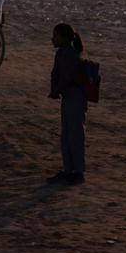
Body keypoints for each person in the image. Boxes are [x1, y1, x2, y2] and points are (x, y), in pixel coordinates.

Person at [47, 23, 87, 185]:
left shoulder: (69, 54)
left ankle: (77, 172)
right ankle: (69, 169)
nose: (52, 39)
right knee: (67, 135)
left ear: (63, 38)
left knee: (75, 134)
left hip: (75, 97)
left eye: (55, 36)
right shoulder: (62, 53)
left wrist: (56, 90)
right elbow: (56, 74)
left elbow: (67, 77)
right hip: (69, 97)